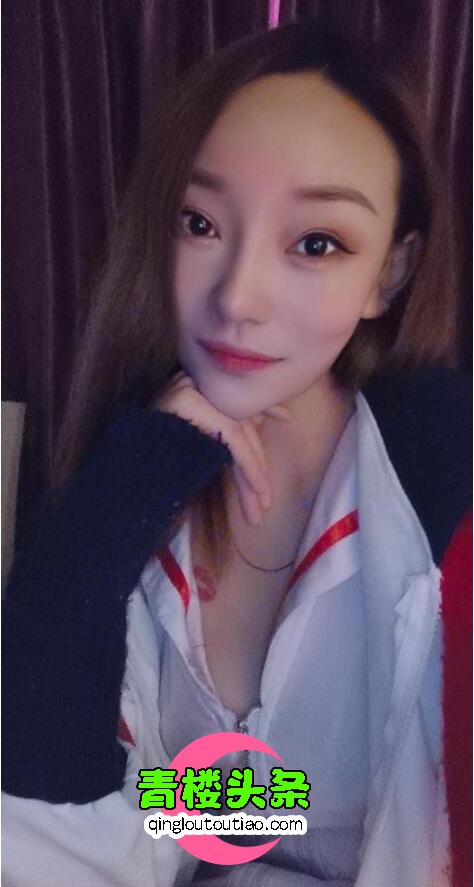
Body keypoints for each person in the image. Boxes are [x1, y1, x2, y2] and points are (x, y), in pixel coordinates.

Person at [2, 19, 471, 887]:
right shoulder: (133, 486)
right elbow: (62, 846)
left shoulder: (446, 505)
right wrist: (98, 530)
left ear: (389, 274)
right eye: (201, 222)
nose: (239, 298)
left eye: (316, 242)